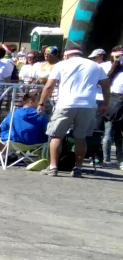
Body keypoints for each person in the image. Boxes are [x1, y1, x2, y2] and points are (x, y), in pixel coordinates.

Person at [38, 42, 109, 177]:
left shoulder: (61, 65)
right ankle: (78, 168)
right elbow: (106, 85)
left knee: (56, 136)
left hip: (65, 104)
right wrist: (105, 104)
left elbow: (49, 86)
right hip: (88, 105)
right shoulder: (95, 65)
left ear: (66, 55)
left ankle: (53, 167)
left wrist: (41, 103)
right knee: (80, 138)